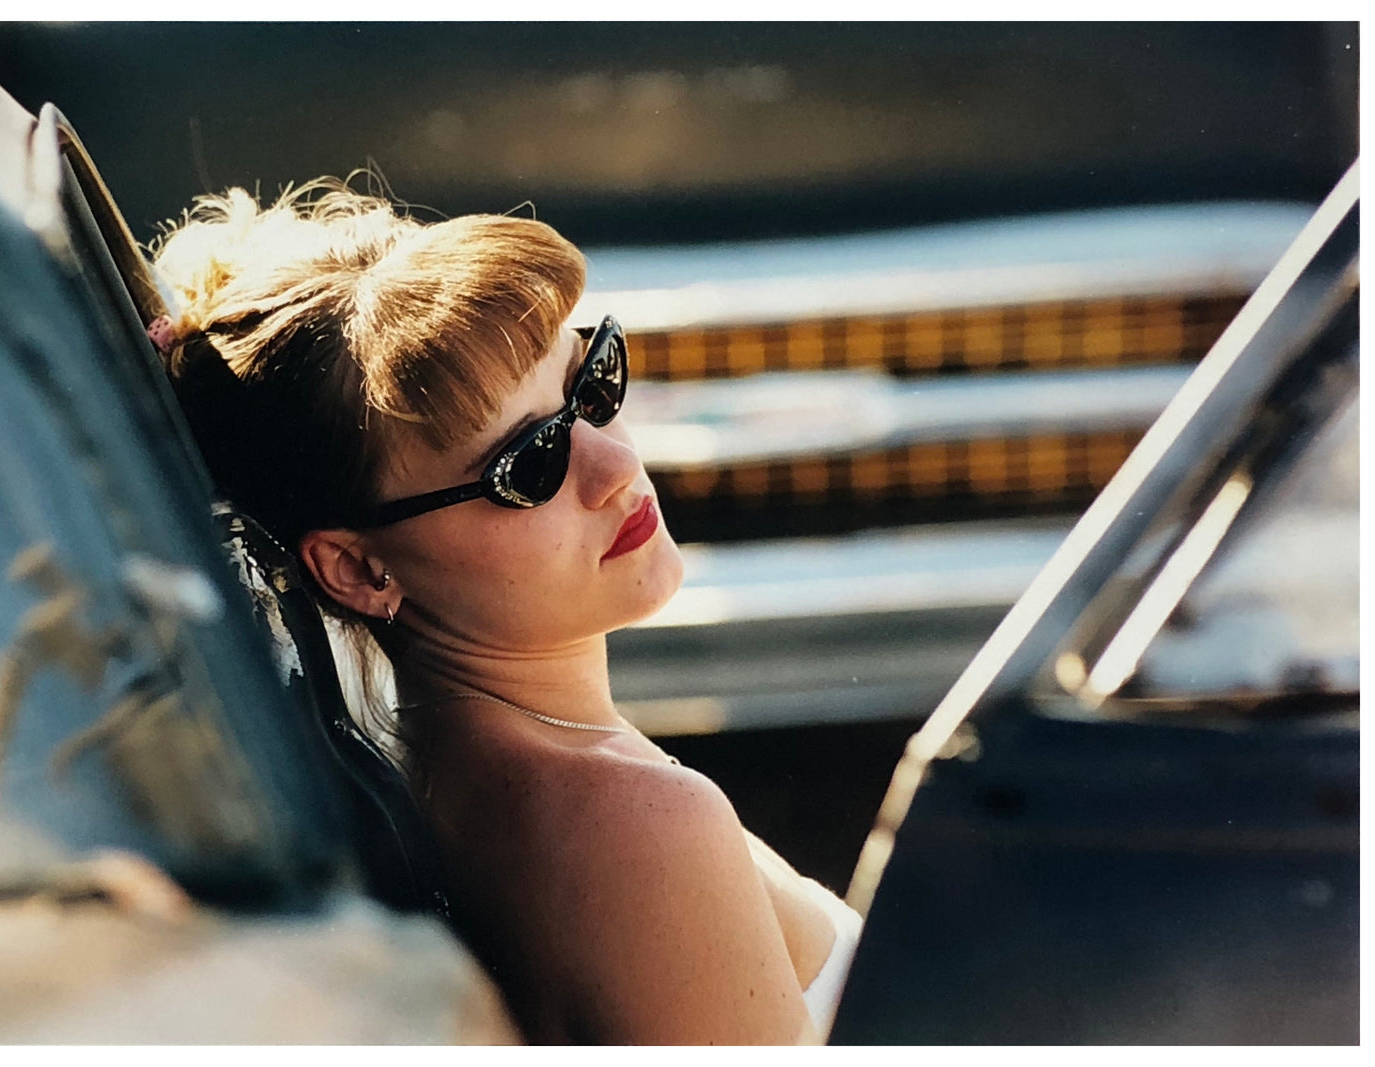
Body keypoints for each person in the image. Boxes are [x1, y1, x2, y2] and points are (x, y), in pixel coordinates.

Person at [149, 180, 862, 1044]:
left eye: (591, 385)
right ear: (358, 567)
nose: (613, 466)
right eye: (529, 464)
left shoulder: (448, 764)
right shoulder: (630, 824)